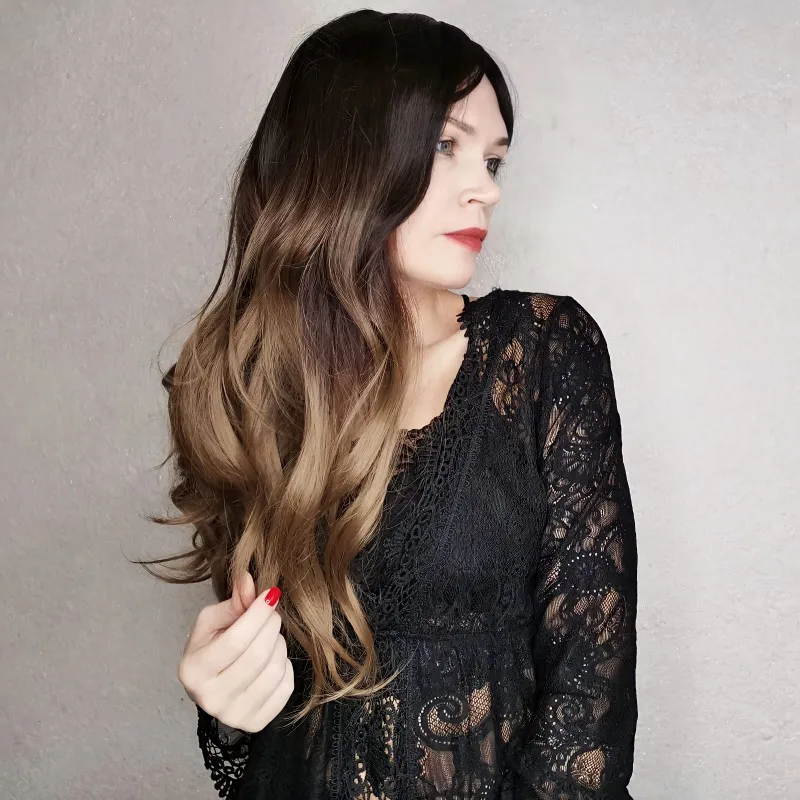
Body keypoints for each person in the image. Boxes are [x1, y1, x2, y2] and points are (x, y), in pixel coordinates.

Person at [139, 8, 638, 799]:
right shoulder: (250, 387)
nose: (487, 190)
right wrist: (228, 696)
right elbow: (276, 730)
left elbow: (586, 713)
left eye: (494, 160)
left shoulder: (541, 355)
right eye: (446, 146)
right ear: (345, 157)